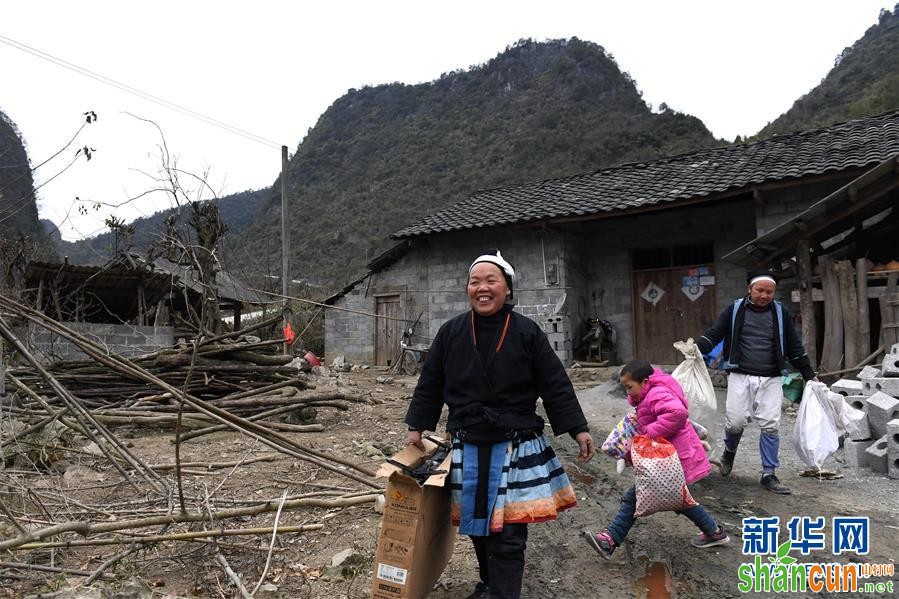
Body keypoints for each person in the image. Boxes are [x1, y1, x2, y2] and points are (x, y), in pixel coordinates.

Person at [404, 249, 596, 599]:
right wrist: (417, 425)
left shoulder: (527, 332)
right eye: (474, 281)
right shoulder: (451, 333)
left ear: (507, 288)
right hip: (469, 440)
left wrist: (578, 428)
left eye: (491, 280)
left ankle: (504, 593)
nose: (482, 288)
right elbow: (430, 383)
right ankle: (489, 584)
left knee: (508, 531)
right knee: (478, 525)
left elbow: (554, 382)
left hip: (515, 443)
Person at [583, 360, 729, 559]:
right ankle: (714, 532)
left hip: (675, 460)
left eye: (629, 387)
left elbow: (677, 413)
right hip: (672, 460)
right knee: (680, 500)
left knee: (633, 498)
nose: (628, 393)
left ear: (644, 381)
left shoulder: (656, 394)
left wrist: (649, 433)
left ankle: (609, 540)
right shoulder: (651, 393)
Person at [694, 271, 815, 494]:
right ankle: (729, 452)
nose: (764, 295)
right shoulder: (735, 309)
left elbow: (793, 345)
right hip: (740, 375)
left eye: (769, 291)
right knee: (736, 422)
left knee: (771, 424)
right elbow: (715, 332)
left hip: (772, 377)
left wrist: (808, 373)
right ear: (749, 289)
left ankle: (769, 474)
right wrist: (695, 349)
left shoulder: (781, 313)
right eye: (760, 290)